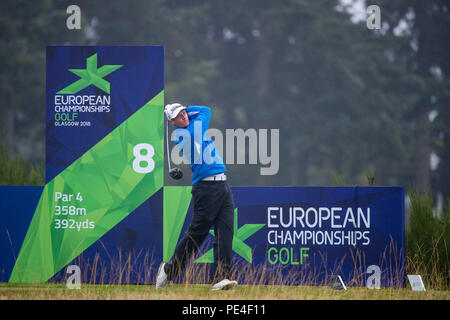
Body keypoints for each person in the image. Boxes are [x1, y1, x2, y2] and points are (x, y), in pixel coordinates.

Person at [156, 103, 237, 291]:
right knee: (197, 235)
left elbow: (205, 110)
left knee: (225, 232)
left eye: (184, 111)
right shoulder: (181, 135)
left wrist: (178, 110)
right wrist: (183, 114)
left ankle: (222, 277)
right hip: (206, 187)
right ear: (171, 121)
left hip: (222, 184)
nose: (184, 115)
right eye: (178, 115)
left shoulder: (191, 124)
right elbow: (204, 112)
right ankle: (169, 270)